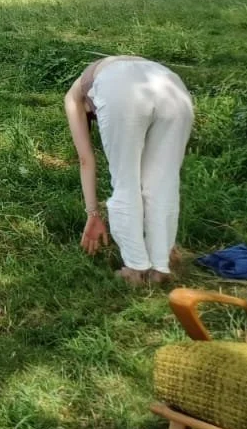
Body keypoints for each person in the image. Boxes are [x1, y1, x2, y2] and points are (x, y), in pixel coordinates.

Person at [65, 56, 194, 284]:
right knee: (164, 182)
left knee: (126, 181)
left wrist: (93, 214)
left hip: (123, 89)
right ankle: (162, 264)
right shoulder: (109, 67)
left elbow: (86, 160)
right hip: (172, 86)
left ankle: (135, 269)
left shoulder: (74, 97)